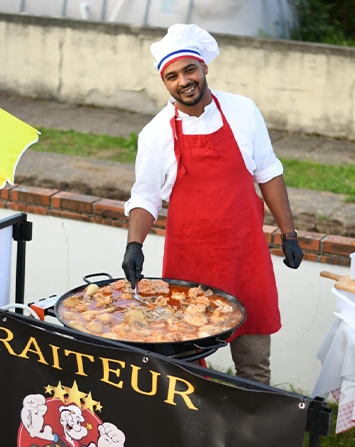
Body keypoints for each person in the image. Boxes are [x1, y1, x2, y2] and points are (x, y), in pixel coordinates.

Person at [121, 24, 303, 385]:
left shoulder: (242, 111)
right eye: (172, 76)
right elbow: (145, 196)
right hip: (190, 265)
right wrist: (133, 245)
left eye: (189, 70)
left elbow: (268, 172)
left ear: (205, 68)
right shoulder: (156, 133)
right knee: (185, 366)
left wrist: (289, 233)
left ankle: (252, 434)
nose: (183, 81)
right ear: (165, 83)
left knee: (254, 365)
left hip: (244, 258)